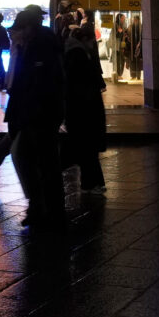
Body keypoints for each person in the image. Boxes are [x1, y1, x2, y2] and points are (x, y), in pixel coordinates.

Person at [7, 5, 68, 222]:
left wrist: (29, 113)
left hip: (39, 114)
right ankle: (45, 207)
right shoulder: (34, 43)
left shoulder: (40, 45)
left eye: (18, 29)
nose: (15, 34)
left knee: (40, 160)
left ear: (28, 27)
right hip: (36, 113)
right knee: (38, 159)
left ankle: (46, 208)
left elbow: (36, 82)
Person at [63, 20, 108, 193]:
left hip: (79, 109)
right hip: (83, 109)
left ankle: (93, 183)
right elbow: (81, 84)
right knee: (86, 148)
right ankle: (93, 183)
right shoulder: (79, 54)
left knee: (83, 148)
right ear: (87, 39)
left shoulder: (76, 52)